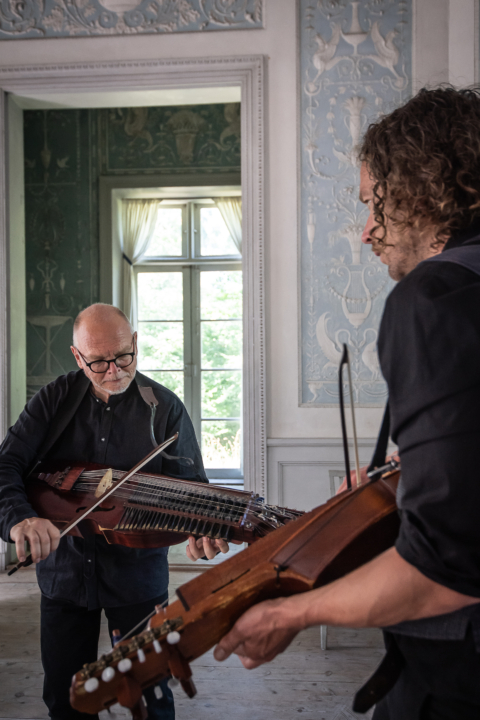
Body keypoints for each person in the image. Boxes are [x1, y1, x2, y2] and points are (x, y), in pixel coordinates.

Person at [212, 87, 480, 719]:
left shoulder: (432, 298)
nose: (366, 232)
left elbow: (445, 569)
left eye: (374, 205)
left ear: (421, 188)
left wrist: (291, 611)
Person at [0, 303, 225, 720]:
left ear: (135, 342)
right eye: (98, 362)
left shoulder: (165, 408)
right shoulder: (54, 401)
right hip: (66, 575)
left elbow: (195, 491)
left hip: (137, 579)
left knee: (152, 700)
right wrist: (20, 519)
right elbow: (7, 464)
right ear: (76, 356)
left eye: (123, 356)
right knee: (68, 701)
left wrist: (201, 529)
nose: (114, 371)